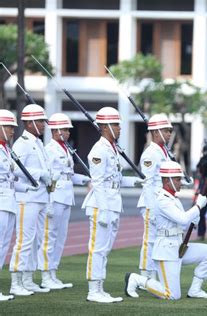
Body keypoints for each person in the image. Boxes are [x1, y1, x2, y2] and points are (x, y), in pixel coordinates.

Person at [125, 161, 207, 300]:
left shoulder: (173, 199)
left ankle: (195, 289)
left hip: (178, 246)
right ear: (167, 181)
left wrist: (195, 219)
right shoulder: (162, 200)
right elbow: (182, 219)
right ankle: (137, 280)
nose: (181, 182)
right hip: (166, 251)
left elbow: (183, 223)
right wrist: (198, 207)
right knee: (172, 295)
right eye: (177, 179)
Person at [81, 107, 142, 303]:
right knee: (98, 249)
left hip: (113, 204)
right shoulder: (99, 150)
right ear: (105, 127)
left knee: (104, 249)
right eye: (116, 124)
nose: (119, 128)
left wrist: (135, 182)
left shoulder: (112, 148)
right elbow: (97, 183)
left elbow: (115, 178)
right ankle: (93, 290)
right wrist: (104, 210)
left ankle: (100, 288)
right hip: (102, 205)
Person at [38, 113, 90, 290]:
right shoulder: (49, 149)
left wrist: (85, 179)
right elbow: (48, 177)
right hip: (55, 196)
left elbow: (68, 175)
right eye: (65, 129)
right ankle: (45, 274)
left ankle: (53, 272)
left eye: (68, 129)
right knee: (49, 236)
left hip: (66, 196)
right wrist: (49, 201)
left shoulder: (66, 148)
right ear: (55, 130)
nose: (68, 132)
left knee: (60, 237)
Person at [9, 104, 51, 295]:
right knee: (24, 240)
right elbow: (15, 168)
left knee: (35, 240)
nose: (44, 125)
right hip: (27, 197)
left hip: (41, 196)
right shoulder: (22, 143)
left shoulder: (38, 142)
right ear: (30, 122)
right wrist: (41, 173)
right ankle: (15, 282)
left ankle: (27, 279)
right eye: (41, 121)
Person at [0, 110, 35, 300]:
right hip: (1, 202)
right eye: (7, 127)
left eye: (13, 127)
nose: (12, 131)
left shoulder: (6, 149)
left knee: (4, 245)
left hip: (9, 201)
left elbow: (10, 178)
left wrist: (26, 188)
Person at [136, 114, 172, 281]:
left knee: (159, 240)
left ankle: (153, 272)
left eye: (170, 131)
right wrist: (152, 208)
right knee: (150, 241)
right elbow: (149, 183)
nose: (169, 134)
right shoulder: (151, 154)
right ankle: (145, 274)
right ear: (156, 133)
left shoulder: (164, 151)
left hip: (161, 203)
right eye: (166, 131)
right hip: (152, 203)